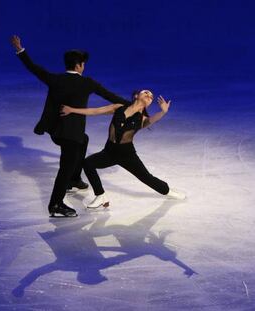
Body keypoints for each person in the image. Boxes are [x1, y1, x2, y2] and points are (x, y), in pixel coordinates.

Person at [10, 35, 130, 217]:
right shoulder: (86, 83)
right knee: (65, 166)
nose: (84, 66)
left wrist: (20, 50)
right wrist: (133, 106)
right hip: (70, 134)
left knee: (84, 140)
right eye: (83, 63)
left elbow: (34, 68)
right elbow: (110, 96)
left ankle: (74, 180)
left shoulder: (55, 79)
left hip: (56, 131)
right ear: (79, 65)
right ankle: (56, 204)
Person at [60, 90, 186, 208]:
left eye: (151, 96)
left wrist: (163, 112)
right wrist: (72, 110)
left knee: (146, 178)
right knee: (87, 163)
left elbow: (153, 119)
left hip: (127, 154)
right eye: (145, 92)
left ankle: (168, 191)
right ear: (136, 95)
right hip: (109, 151)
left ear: (149, 103)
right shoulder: (118, 108)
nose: (149, 95)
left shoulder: (142, 119)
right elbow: (96, 111)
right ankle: (101, 195)